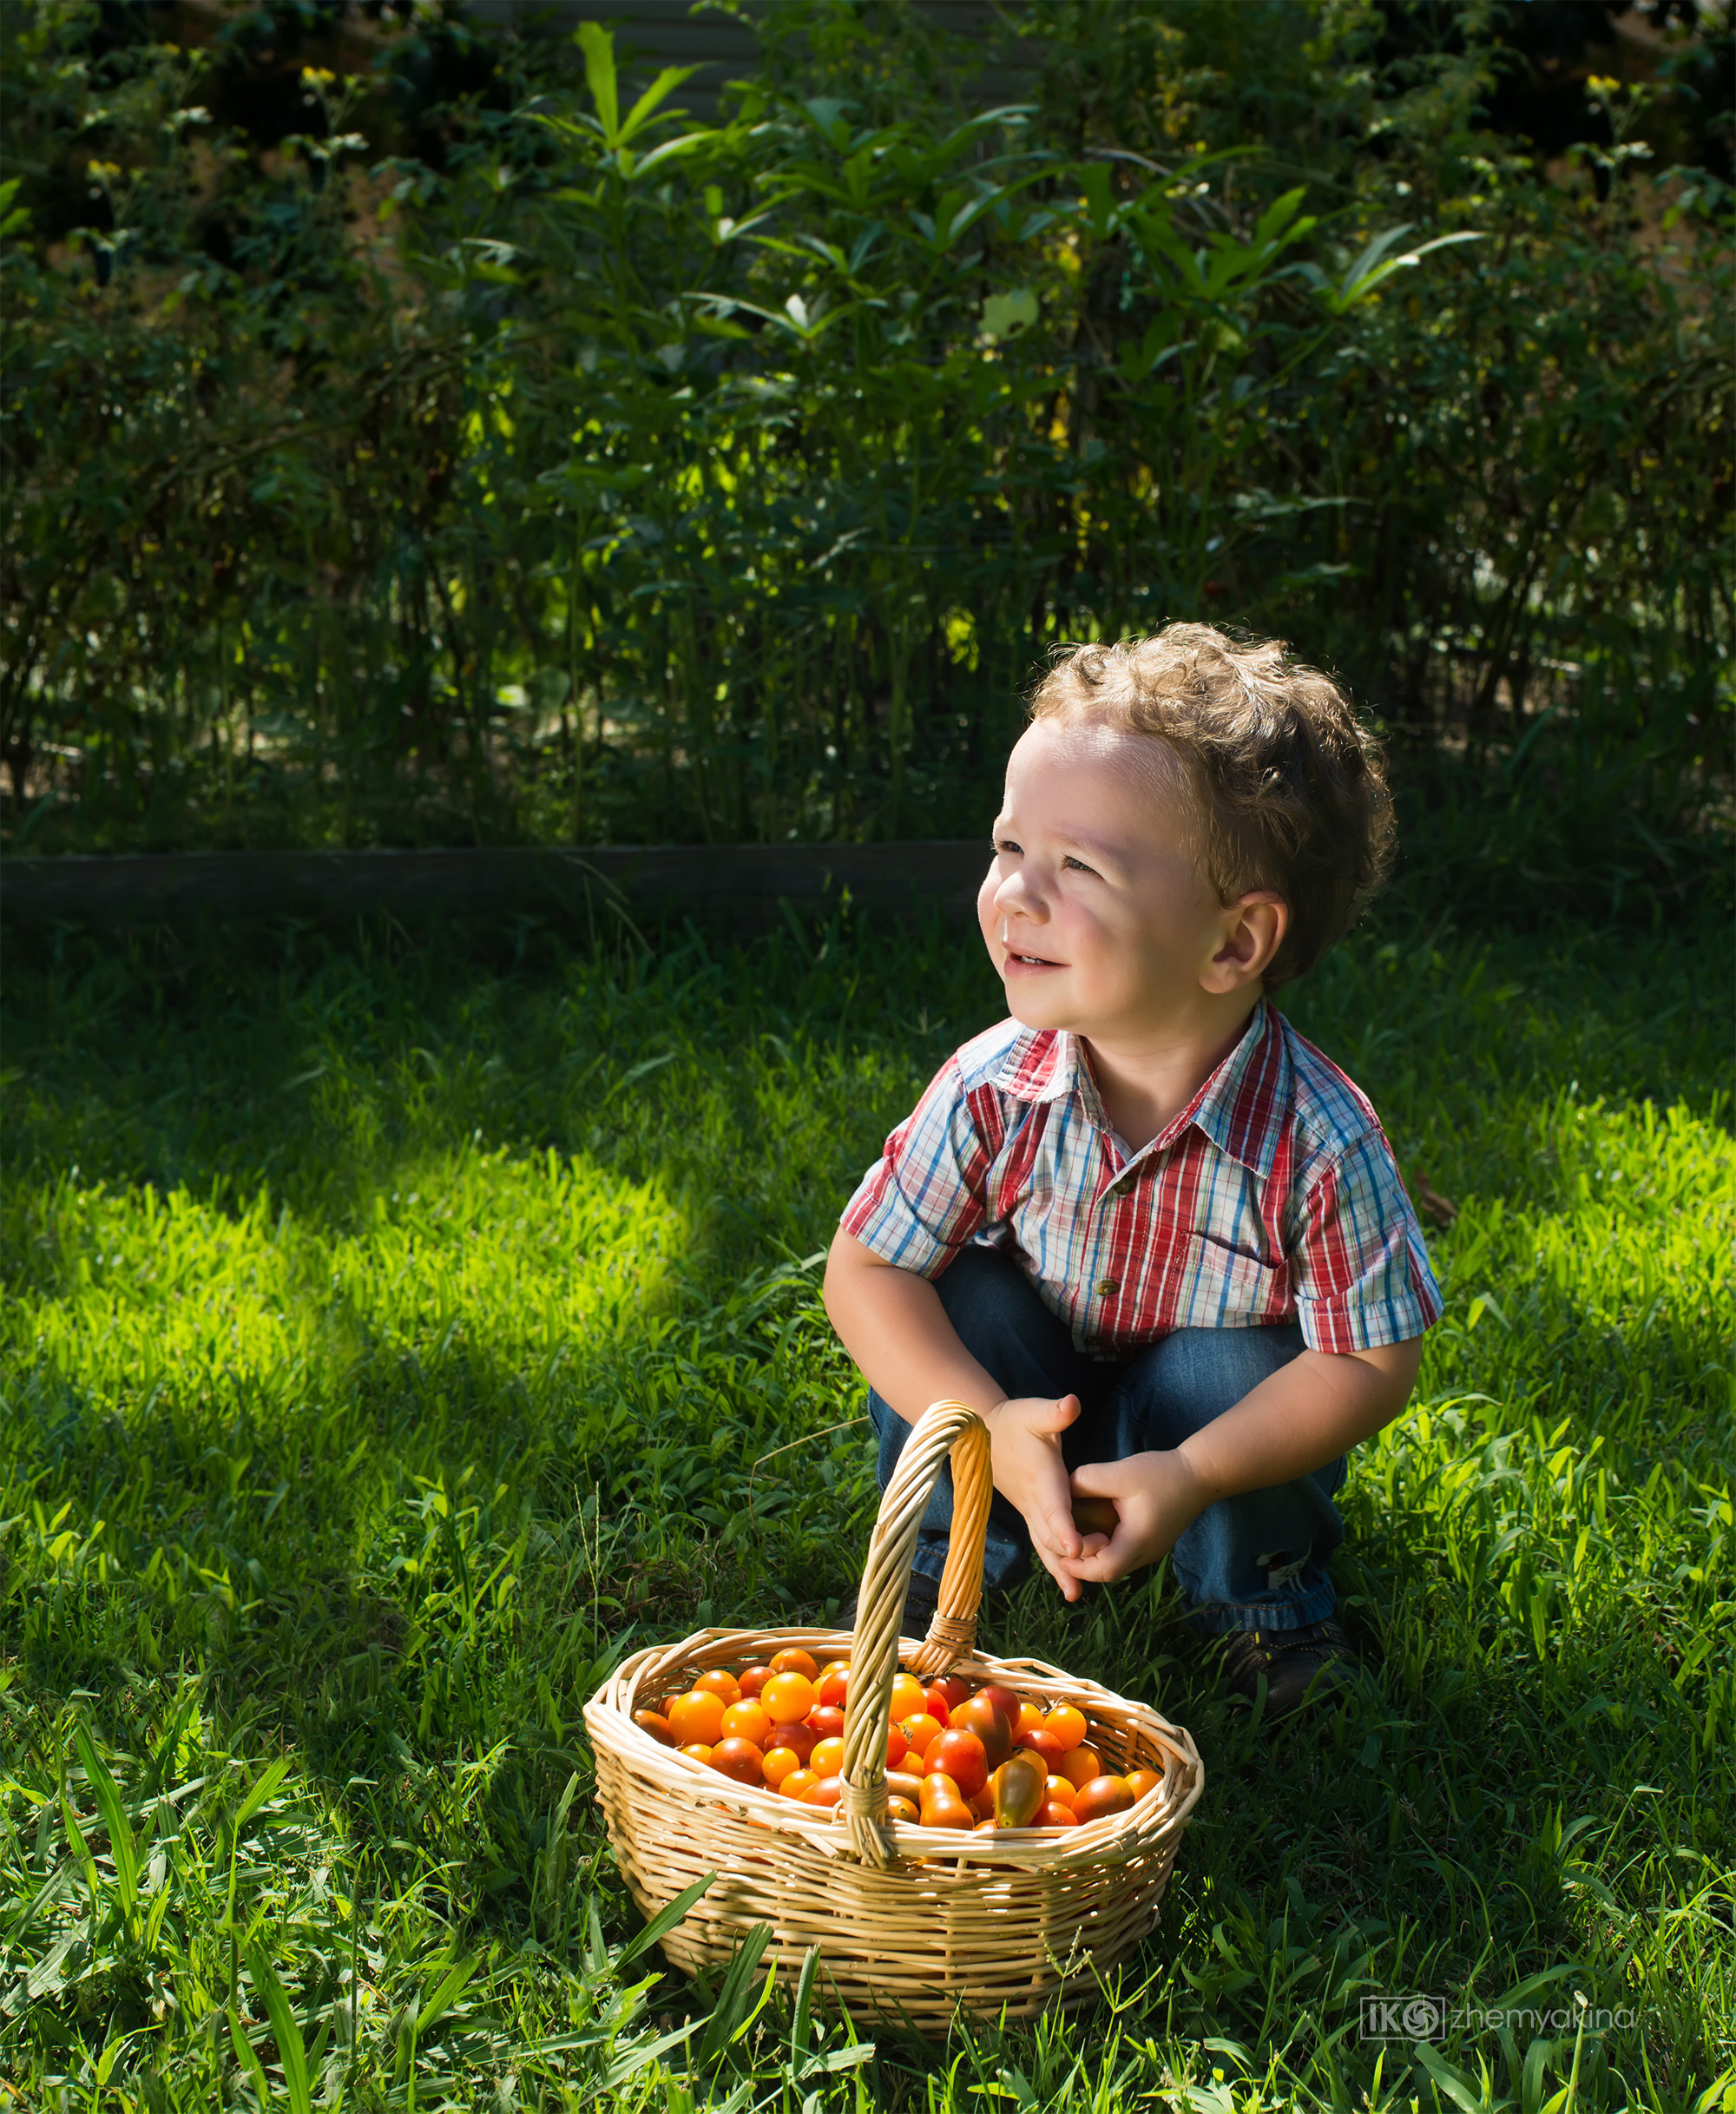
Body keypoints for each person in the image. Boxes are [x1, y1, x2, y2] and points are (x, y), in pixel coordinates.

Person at [822, 624, 1442, 1716]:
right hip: (1024, 1395)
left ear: (1231, 944)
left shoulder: (1317, 1137)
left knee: (1245, 1364)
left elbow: (1369, 1360)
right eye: (1010, 848)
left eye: (1077, 868)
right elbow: (862, 1272)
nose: (1015, 894)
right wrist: (984, 1417)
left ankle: (1262, 1605)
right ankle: (944, 1560)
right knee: (956, 1294)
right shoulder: (988, 1086)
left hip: (1198, 1433)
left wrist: (1195, 1472)